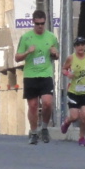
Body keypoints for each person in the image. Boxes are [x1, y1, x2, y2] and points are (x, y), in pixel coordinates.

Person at [15, 9, 59, 145]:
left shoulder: (51, 37)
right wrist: (28, 52)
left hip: (45, 73)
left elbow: (56, 56)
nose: (40, 26)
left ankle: (44, 127)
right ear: (33, 22)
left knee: (47, 103)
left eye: (42, 24)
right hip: (30, 75)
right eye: (37, 24)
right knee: (33, 105)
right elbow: (17, 58)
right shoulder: (26, 37)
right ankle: (34, 132)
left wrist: (55, 53)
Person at [60, 36, 85, 147]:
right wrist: (68, 73)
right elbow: (63, 69)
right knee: (74, 116)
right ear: (75, 47)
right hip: (73, 92)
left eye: (82, 45)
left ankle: (82, 137)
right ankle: (67, 122)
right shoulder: (71, 58)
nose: (80, 47)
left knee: (84, 115)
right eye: (78, 45)